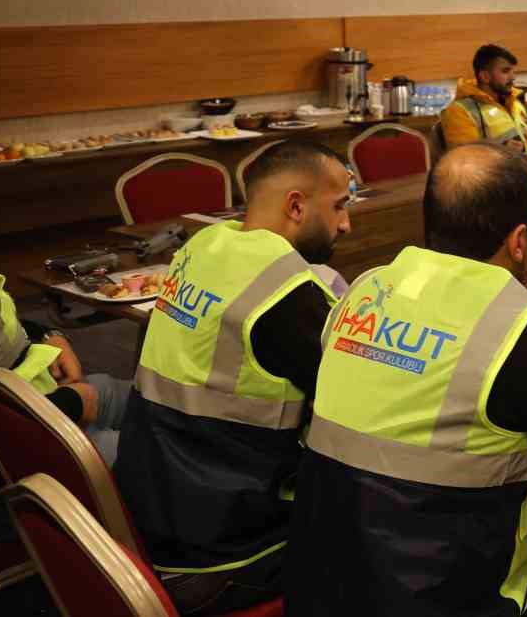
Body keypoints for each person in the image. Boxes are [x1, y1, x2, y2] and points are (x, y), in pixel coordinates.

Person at [285, 144, 527, 617]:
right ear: (518, 240)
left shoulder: (363, 289)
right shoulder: (520, 331)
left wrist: (518, 301)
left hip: (321, 589)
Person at [113, 140, 350, 614]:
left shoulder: (202, 247)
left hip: (147, 519)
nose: (347, 223)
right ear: (297, 205)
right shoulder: (288, 297)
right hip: (225, 557)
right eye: (340, 205)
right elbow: (364, 409)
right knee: (393, 533)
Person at [0, 274, 129, 458]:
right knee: (149, 456)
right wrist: (71, 402)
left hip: (43, 393)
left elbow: (7, 328)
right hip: (25, 433)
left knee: (135, 395)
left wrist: (50, 336)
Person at [441, 43, 527, 152]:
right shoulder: (458, 111)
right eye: (505, 71)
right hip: (495, 168)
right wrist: (502, 150)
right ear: (485, 77)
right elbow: (465, 156)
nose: (513, 77)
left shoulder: (513, 102)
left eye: (512, 71)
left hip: (525, 166)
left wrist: (525, 149)